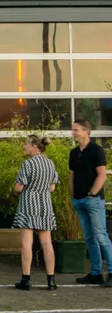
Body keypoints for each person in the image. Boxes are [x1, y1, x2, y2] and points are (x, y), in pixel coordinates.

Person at [69, 119, 112, 286]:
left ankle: (110, 271)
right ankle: (95, 273)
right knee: (90, 238)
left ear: (87, 131)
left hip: (93, 201)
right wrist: (73, 195)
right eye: (72, 130)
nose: (73, 133)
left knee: (101, 236)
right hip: (79, 201)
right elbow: (71, 174)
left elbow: (102, 175)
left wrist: (92, 194)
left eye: (76, 130)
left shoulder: (96, 151)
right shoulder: (73, 152)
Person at [13, 135, 60, 291]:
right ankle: (51, 280)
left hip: (28, 206)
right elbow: (52, 188)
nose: (24, 147)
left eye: (26, 144)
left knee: (27, 243)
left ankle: (26, 280)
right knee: (47, 243)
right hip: (45, 206)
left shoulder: (27, 164)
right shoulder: (50, 164)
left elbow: (18, 187)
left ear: (34, 146)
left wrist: (26, 188)